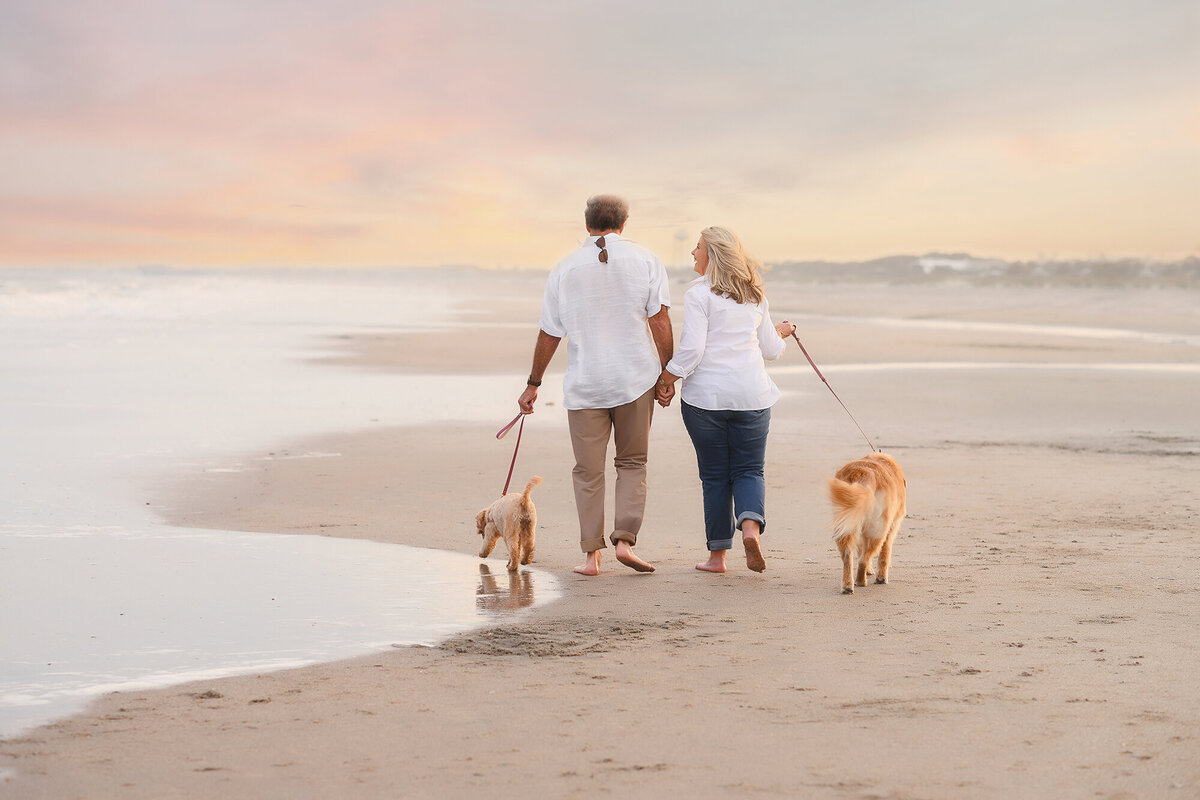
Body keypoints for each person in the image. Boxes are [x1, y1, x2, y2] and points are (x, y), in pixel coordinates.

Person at [518, 195, 673, 575]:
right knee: (632, 463)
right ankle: (623, 541)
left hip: (586, 384)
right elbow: (660, 321)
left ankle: (592, 556)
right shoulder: (647, 260)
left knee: (588, 471)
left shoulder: (564, 268)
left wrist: (533, 383)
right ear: (624, 223)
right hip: (635, 380)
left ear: (587, 224)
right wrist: (667, 373)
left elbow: (549, 333)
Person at [655, 226, 795, 573]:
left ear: (712, 254)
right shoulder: (755, 294)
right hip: (752, 396)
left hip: (707, 400)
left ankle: (718, 557)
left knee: (715, 476)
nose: (692, 252)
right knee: (749, 469)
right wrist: (781, 331)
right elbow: (771, 350)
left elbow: (692, 350)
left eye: (697, 247)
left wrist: (666, 378)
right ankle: (750, 528)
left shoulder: (700, 294)